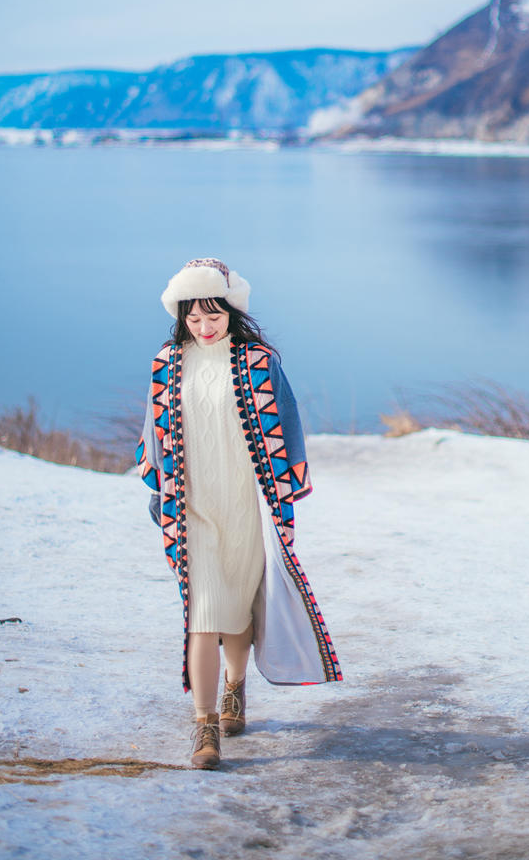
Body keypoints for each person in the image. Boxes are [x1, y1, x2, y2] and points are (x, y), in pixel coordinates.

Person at [135, 257, 342, 770]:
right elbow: (155, 436)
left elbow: (287, 427)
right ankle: (205, 727)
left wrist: (284, 493)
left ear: (232, 313)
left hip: (247, 505)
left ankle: (236, 686)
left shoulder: (258, 361)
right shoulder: (166, 362)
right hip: (193, 506)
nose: (204, 328)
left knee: (240, 611)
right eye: (194, 318)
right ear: (181, 315)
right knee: (202, 616)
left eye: (215, 317)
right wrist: (160, 496)